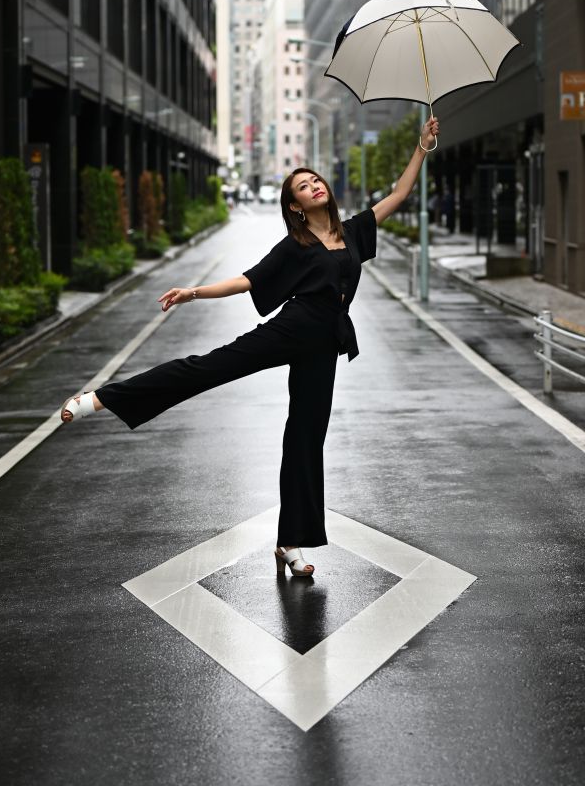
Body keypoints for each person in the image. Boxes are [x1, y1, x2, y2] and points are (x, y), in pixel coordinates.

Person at [60, 117, 440, 578]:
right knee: (206, 369)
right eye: (304, 185)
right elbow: (249, 281)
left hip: (324, 348)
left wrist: (422, 147)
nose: (315, 186)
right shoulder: (295, 244)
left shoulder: (354, 230)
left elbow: (398, 196)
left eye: (315, 180)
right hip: (290, 330)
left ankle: (290, 543)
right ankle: (101, 398)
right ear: (295, 205)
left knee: (305, 441)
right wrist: (193, 292)